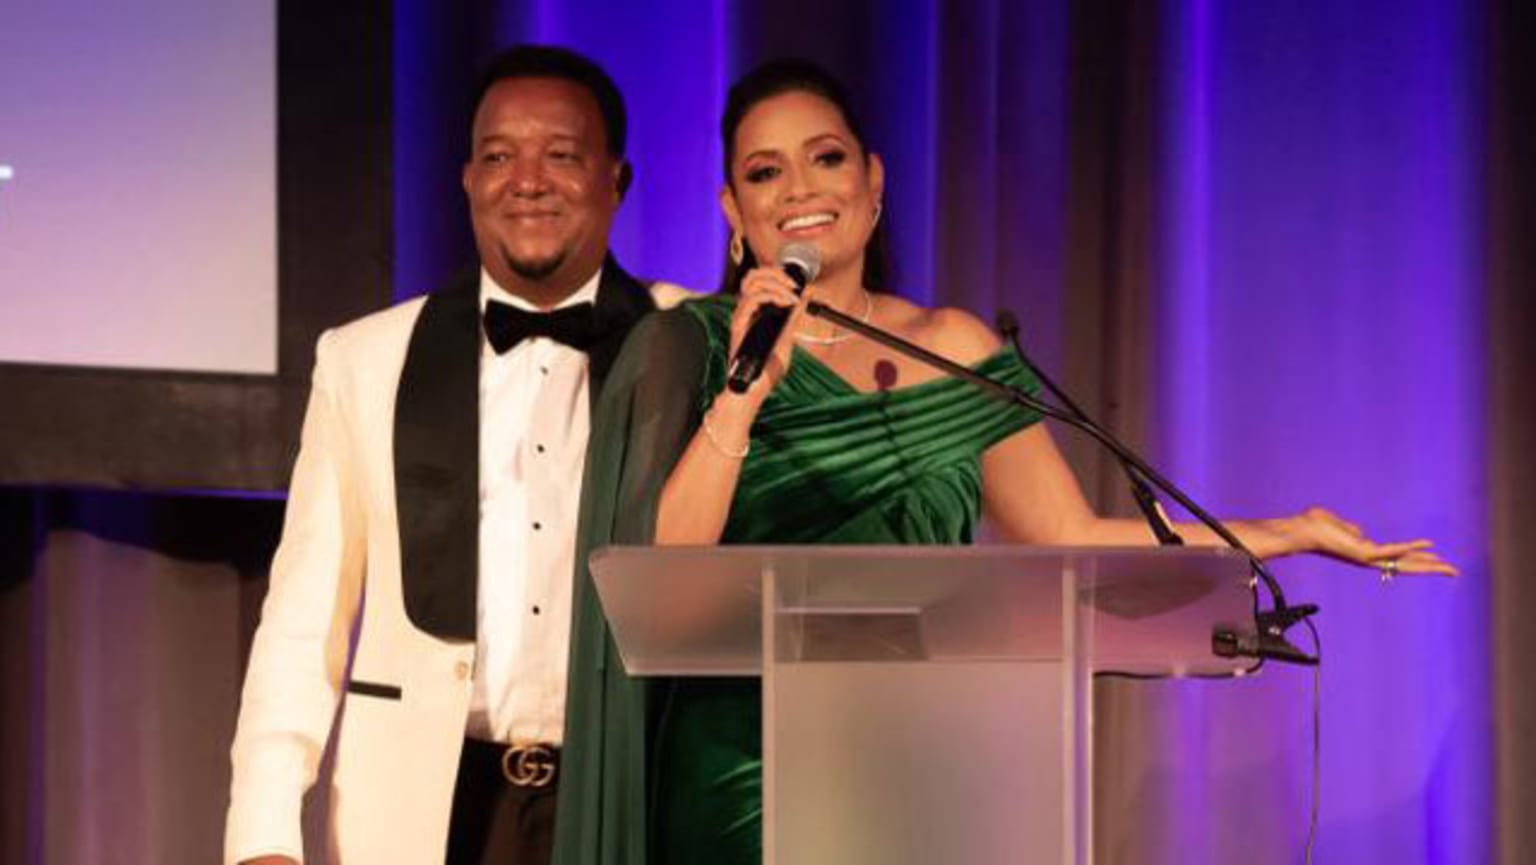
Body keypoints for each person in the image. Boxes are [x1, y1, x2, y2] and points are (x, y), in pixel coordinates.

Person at [566, 59, 1458, 864]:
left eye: (826, 158)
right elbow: (666, 571)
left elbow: (1072, 535)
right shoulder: (693, 346)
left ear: (873, 184)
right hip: (739, 775)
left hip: (923, 756)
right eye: (766, 171)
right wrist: (746, 391)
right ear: (733, 210)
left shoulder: (956, 347)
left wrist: (1285, 533)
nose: (800, 188)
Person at [224, 45, 691, 865]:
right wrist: (264, 833)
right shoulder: (365, 359)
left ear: (616, 181)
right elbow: (303, 618)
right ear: (468, 179)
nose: (529, 179)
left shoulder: (687, 344)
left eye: (562, 155)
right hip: (428, 807)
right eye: (500, 156)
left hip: (630, 799)